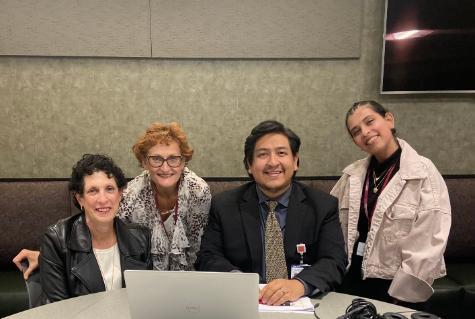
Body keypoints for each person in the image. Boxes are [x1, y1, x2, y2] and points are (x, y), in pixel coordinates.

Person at [14, 122, 211, 276]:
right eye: (156, 159)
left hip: (192, 277)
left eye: (174, 158)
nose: (166, 167)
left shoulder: (198, 192)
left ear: (184, 160)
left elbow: (200, 248)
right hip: (145, 279)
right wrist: (48, 257)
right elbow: (106, 232)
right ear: (144, 162)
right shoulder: (131, 194)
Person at [196, 120, 347, 306]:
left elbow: (334, 261)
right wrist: (240, 282)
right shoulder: (224, 205)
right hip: (244, 303)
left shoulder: (322, 206)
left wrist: (299, 285)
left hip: (302, 303)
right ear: (249, 165)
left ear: (295, 161)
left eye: (281, 153)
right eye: (262, 154)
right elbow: (208, 257)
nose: (273, 162)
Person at [330, 100, 451, 305]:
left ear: (389, 119)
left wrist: (402, 295)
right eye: (356, 131)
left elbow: (429, 240)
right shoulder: (352, 175)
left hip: (395, 286)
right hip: (352, 278)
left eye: (370, 122)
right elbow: (331, 222)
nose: (366, 132)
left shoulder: (422, 171)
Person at [40, 154, 152, 302]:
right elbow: (59, 310)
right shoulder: (57, 240)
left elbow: (144, 300)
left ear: (120, 194)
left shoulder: (141, 237)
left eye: (110, 189)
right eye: (93, 191)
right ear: (80, 198)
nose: (103, 199)